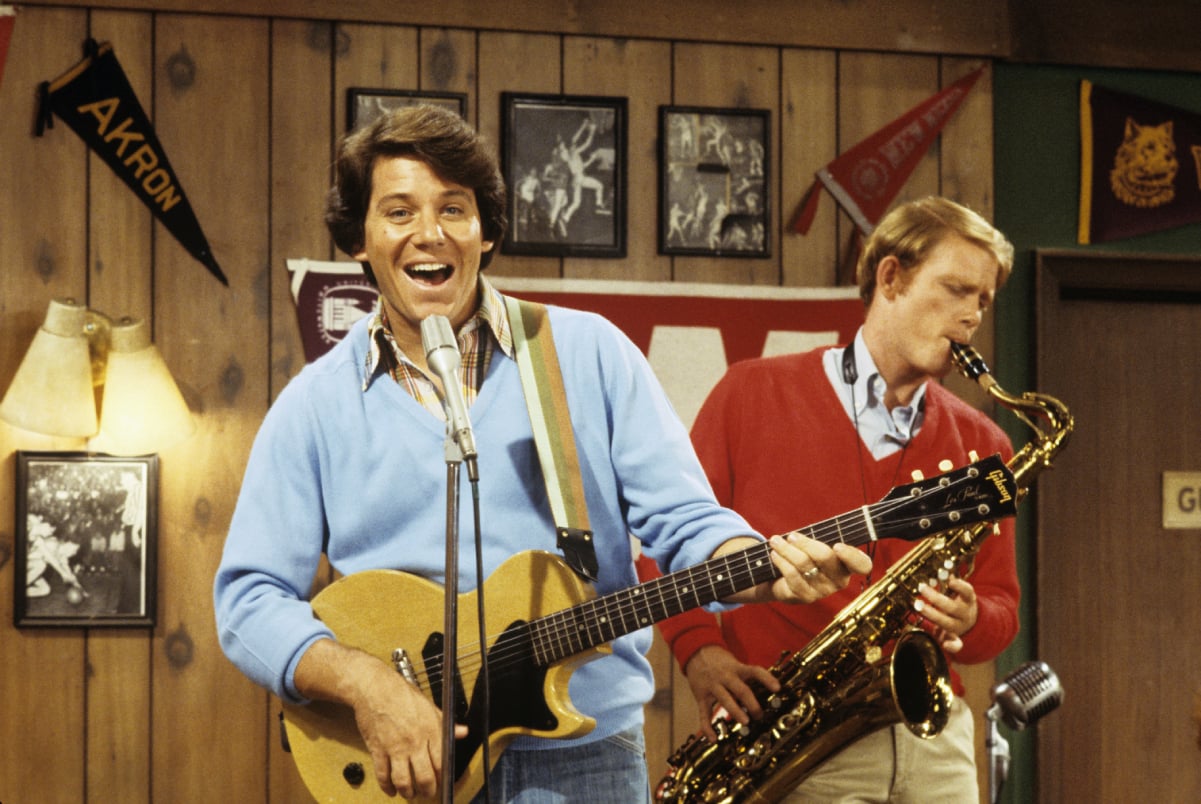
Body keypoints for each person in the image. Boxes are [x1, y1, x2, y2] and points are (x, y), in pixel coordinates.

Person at [212, 104, 871, 803]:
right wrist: (369, 686)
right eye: (398, 212)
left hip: (584, 763)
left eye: (454, 209)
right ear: (359, 240)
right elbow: (249, 600)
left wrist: (764, 570)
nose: (428, 233)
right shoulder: (313, 404)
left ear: (486, 231)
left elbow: (682, 521)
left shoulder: (589, 354)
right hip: (405, 765)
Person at [644, 196, 1020, 803]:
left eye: (982, 300)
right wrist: (700, 654)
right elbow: (664, 546)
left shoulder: (985, 442)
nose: (972, 315)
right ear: (890, 277)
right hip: (792, 733)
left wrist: (974, 618)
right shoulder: (751, 392)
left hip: (935, 739)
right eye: (955, 289)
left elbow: (1003, 604)